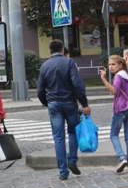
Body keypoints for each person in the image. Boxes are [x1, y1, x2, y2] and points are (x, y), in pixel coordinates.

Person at [37, 39, 91, 180]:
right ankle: (72, 160)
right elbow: (78, 84)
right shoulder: (69, 62)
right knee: (73, 131)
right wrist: (84, 103)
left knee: (58, 138)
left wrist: (47, 103)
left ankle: (62, 171)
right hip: (69, 102)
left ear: (50, 51)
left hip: (53, 103)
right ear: (62, 50)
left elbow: (40, 90)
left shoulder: (45, 66)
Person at [99, 55, 128, 173]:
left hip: (120, 108)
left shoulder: (118, 77)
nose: (110, 67)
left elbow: (114, 90)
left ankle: (121, 158)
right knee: (127, 135)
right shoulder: (126, 75)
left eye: (113, 64)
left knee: (113, 134)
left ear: (120, 65)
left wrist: (104, 79)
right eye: (109, 64)